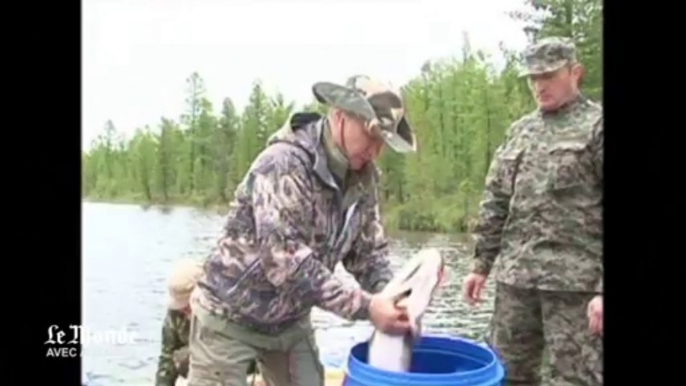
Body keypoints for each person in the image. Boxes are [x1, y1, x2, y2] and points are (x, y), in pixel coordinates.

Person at [187, 75, 417, 386]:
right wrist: (367, 307)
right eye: (370, 136)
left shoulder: (364, 179)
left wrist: (393, 298)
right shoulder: (284, 163)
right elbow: (285, 261)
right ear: (340, 116)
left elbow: (368, 254)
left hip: (289, 325)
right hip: (229, 318)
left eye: (383, 144)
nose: (375, 152)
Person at [462, 37, 603, 386]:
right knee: (505, 375)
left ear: (575, 73)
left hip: (575, 287)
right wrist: (481, 265)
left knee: (575, 379)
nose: (539, 85)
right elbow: (496, 200)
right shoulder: (519, 132)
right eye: (533, 78)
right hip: (516, 282)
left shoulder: (596, 127)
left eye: (549, 76)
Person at [155, 257, 258, 386]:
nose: (184, 312)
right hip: (196, 369)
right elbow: (167, 359)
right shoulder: (175, 315)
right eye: (181, 309)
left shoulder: (229, 308)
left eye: (187, 307)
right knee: (181, 358)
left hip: (234, 368)